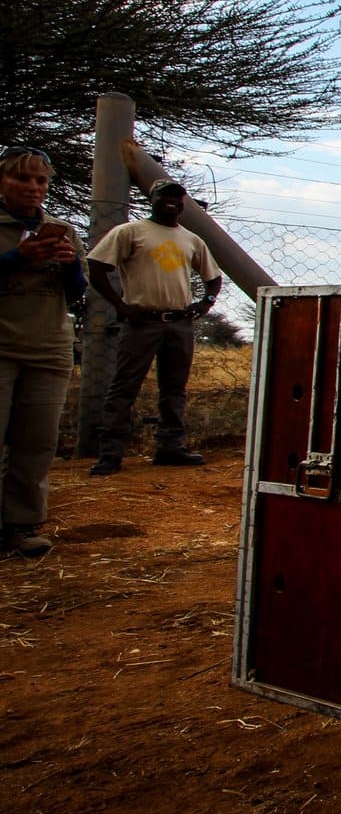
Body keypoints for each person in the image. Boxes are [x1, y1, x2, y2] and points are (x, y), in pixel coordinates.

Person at [86, 179, 223, 476]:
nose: (172, 201)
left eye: (177, 197)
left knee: (174, 388)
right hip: (142, 321)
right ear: (152, 199)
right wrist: (120, 304)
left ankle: (170, 446)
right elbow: (97, 265)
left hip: (179, 322)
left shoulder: (191, 239)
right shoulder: (130, 232)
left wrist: (205, 303)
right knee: (124, 386)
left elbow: (214, 277)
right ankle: (110, 453)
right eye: (165, 196)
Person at [0, 145, 86, 558]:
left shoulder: (63, 229)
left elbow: (76, 295)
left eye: (41, 180)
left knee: (36, 443)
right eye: (22, 178)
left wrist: (69, 264)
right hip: (3, 343)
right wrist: (17, 257)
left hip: (49, 346)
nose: (33, 188)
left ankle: (21, 525)